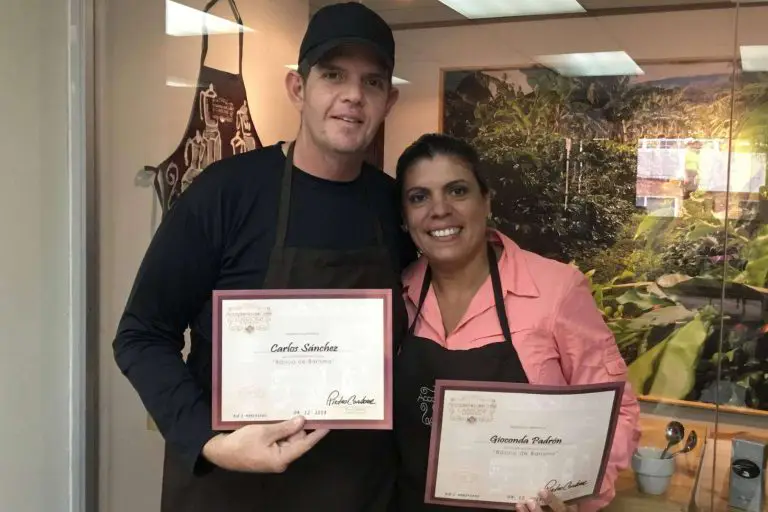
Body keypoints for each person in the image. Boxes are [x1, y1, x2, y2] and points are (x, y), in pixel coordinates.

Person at [112, 3, 415, 511]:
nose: (353, 96)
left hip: (357, 489)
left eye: (372, 82)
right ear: (298, 88)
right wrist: (209, 440)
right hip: (231, 488)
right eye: (333, 75)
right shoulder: (225, 194)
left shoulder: (395, 206)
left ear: (390, 101)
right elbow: (141, 333)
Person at [391, 134, 641, 512]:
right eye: (419, 197)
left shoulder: (555, 290)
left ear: (486, 200)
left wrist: (576, 496)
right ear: (405, 217)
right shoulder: (400, 291)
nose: (439, 210)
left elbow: (616, 410)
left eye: (457, 191)